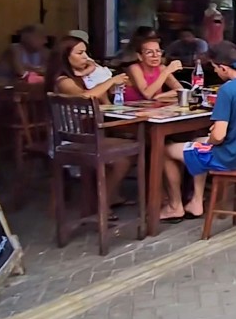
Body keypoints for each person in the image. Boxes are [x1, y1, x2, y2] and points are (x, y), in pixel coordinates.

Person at [160, 41, 236, 222]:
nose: (213, 71)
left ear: (223, 68)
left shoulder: (227, 90)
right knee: (199, 141)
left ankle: (175, 206)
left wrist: (212, 137)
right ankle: (196, 201)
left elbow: (219, 137)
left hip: (229, 158)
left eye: (214, 68)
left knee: (166, 150)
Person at [44, 37, 133, 208]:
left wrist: (92, 71)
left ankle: (109, 196)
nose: (86, 57)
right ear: (65, 56)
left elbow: (101, 99)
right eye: (80, 53)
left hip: (86, 133)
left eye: (86, 52)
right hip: (70, 140)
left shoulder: (80, 77)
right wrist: (111, 81)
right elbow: (86, 96)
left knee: (126, 149)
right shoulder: (62, 80)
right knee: (124, 158)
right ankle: (103, 204)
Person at [124, 37, 184, 102]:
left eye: (158, 51)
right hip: (132, 109)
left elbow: (180, 89)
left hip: (153, 108)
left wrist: (160, 96)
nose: (155, 55)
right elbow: (147, 94)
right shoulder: (134, 68)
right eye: (149, 52)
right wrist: (166, 72)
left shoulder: (161, 68)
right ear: (140, 56)